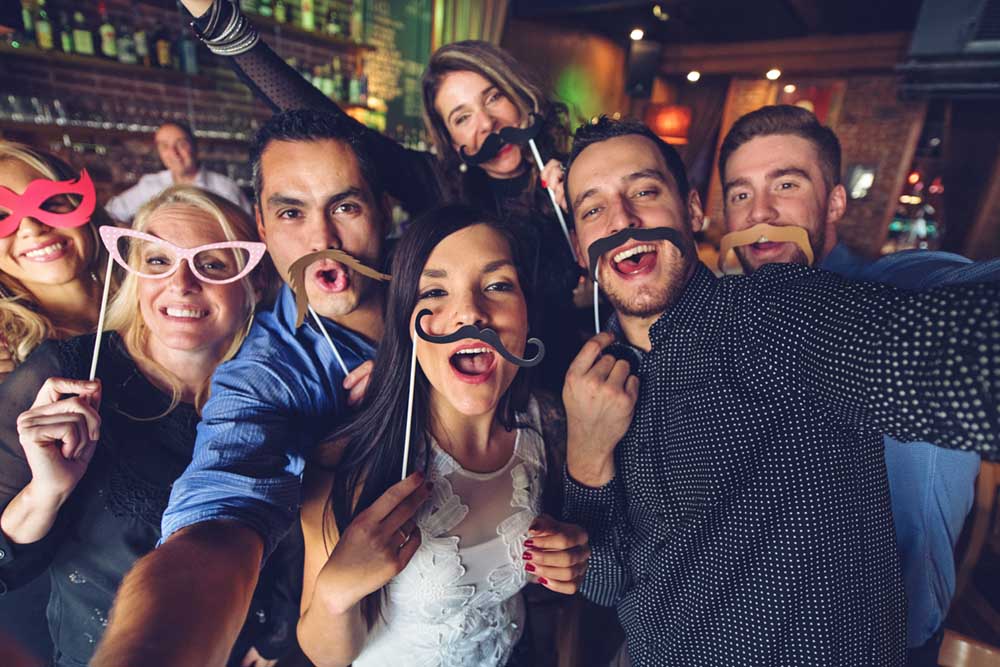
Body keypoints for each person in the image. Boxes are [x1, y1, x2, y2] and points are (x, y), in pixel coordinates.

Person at [559, 116, 999, 666]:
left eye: (644, 191)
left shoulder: (772, 313)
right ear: (582, 246)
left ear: (694, 211)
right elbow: (607, 582)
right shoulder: (597, 382)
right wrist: (586, 455)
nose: (622, 219)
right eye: (593, 208)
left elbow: (954, 358)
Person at [91, 108, 387, 667]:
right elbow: (222, 505)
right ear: (262, 224)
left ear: (383, 208)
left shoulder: (437, 282)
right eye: (291, 212)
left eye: (345, 206)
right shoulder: (268, 372)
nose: (323, 238)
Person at [176, 0, 583, 392]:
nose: (488, 124)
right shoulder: (442, 187)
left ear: (519, 94)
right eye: (462, 117)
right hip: (500, 398)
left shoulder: (584, 174)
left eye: (493, 96)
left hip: (584, 380)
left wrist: (585, 209)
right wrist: (220, 23)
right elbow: (326, 119)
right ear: (450, 139)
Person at [718, 104, 1000, 665]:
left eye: (787, 184)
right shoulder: (740, 320)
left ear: (836, 202)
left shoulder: (902, 288)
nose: (761, 212)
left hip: (883, 642)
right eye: (740, 194)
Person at [0, 185, 294, 667]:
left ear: (254, 282)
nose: (181, 284)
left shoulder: (283, 386)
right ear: (134, 274)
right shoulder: (64, 376)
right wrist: (45, 492)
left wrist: (276, 636)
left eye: (213, 263)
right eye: (158, 261)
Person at [298, 204, 591, 666]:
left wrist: (567, 552)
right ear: (407, 326)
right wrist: (336, 589)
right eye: (435, 290)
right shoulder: (349, 463)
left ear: (528, 315)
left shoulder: (547, 425)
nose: (471, 312)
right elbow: (329, 657)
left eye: (497, 285)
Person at [0, 142, 115, 384]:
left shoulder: (156, 298)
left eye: (49, 203)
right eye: (1, 217)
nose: (31, 228)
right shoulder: (8, 352)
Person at [105, 121, 251, 223]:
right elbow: (111, 212)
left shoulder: (224, 188)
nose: (174, 153)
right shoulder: (151, 184)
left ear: (194, 147)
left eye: (181, 144)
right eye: (164, 146)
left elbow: (250, 231)